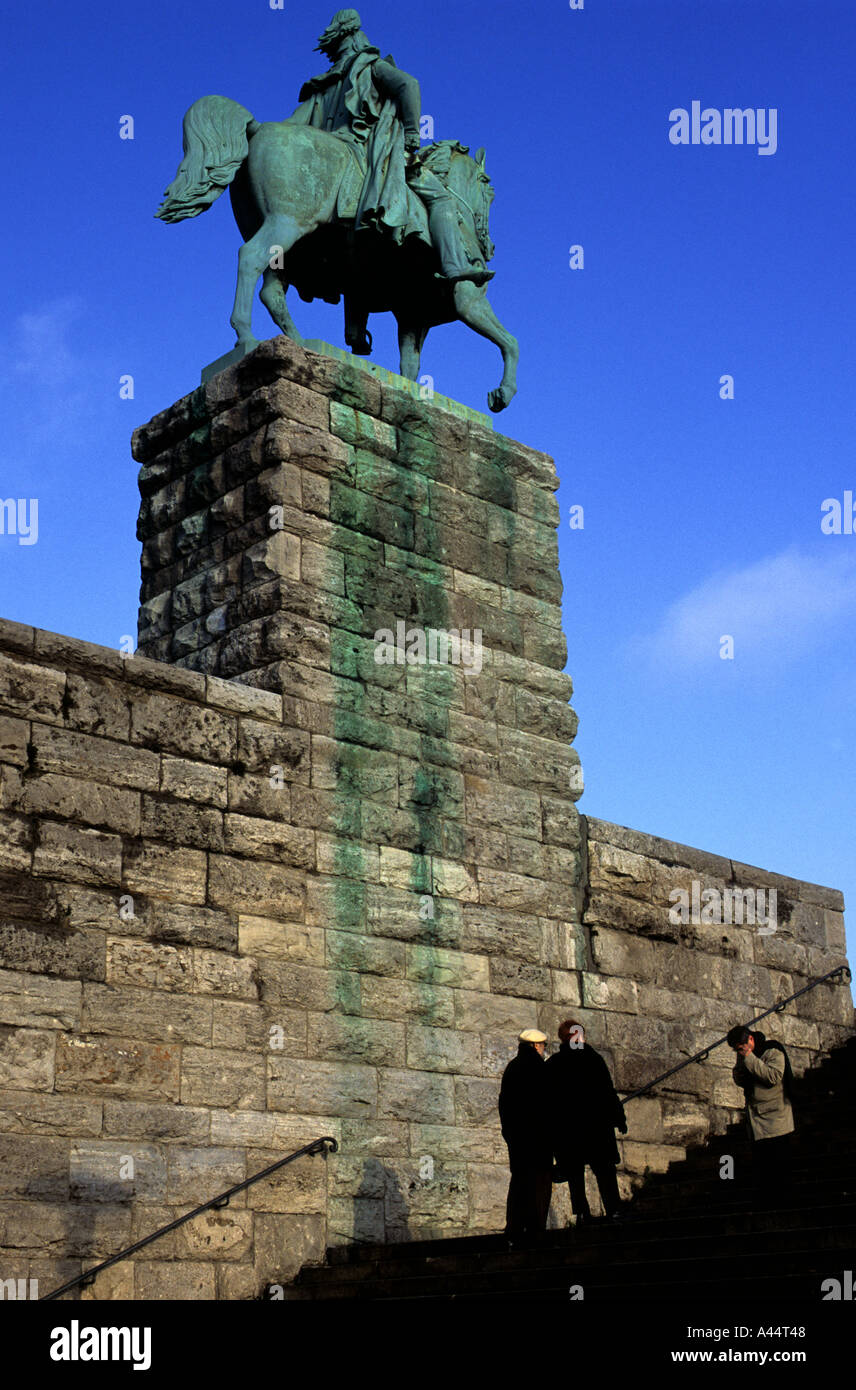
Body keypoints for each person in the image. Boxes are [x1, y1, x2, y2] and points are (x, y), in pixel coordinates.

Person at [288, 11, 492, 286]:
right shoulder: (371, 66)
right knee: (441, 197)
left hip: (328, 155)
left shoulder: (322, 85)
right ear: (356, 37)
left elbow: (290, 129)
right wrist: (411, 132)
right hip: (369, 149)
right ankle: (454, 266)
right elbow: (409, 84)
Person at [546, 1020, 627, 1223]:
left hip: (569, 1130)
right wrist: (619, 1118)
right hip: (597, 1126)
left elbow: (548, 1100)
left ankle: (582, 1212)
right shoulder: (593, 1059)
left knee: (575, 1172)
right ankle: (613, 1208)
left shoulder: (555, 1064)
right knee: (604, 1169)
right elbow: (608, 1092)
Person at [726, 1025, 795, 1197]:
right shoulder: (743, 1054)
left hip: (776, 1117)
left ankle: (783, 1198)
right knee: (763, 1165)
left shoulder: (772, 1050)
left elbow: (773, 1077)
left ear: (750, 1039)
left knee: (779, 1163)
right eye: (738, 1050)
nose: (740, 1052)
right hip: (757, 1118)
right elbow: (742, 1077)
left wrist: (749, 1057)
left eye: (741, 1049)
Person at [498, 1028, 553, 1240]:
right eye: (543, 1046)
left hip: (517, 1140)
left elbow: (504, 1106)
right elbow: (549, 1107)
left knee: (519, 1181)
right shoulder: (541, 1069)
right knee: (539, 1184)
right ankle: (535, 1229)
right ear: (537, 1046)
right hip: (539, 1139)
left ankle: (514, 1227)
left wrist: (509, 1135)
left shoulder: (512, 1068)